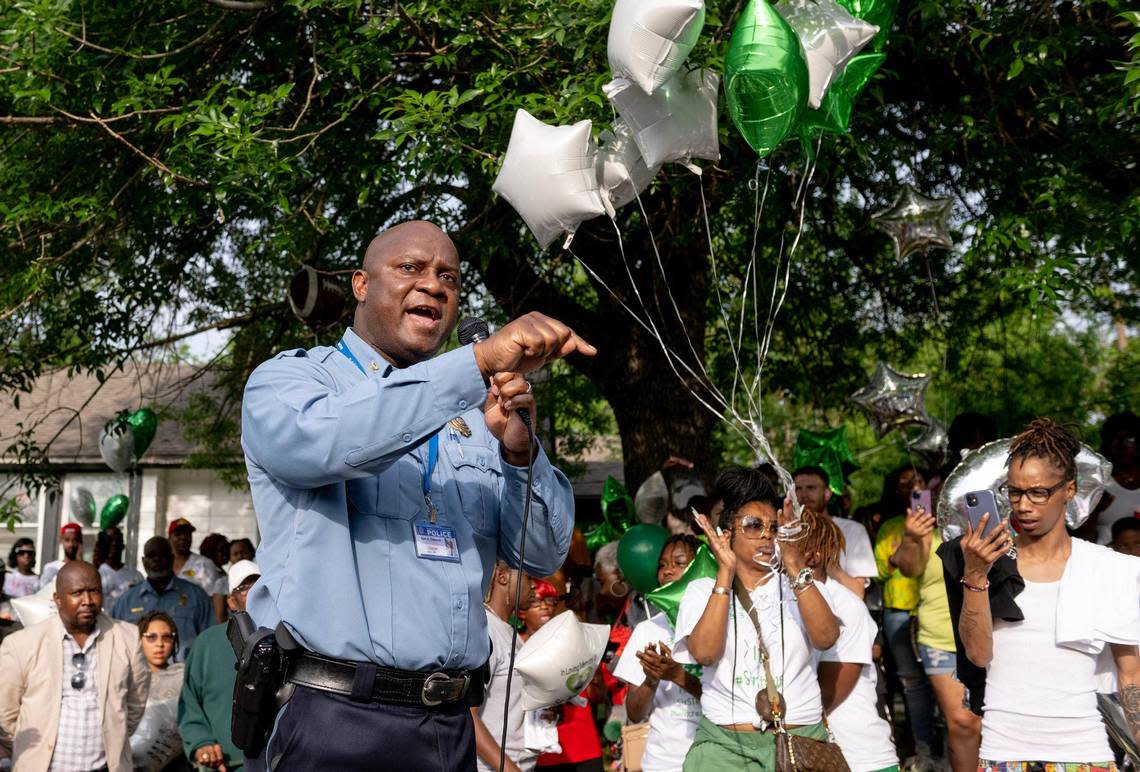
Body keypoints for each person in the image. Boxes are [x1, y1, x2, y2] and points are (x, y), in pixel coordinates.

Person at [239, 220, 590, 771]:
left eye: (447, 275)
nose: (433, 284)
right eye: (410, 268)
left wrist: (522, 456)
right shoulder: (294, 384)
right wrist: (474, 366)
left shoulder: (474, 423)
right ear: (360, 284)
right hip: (333, 718)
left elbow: (541, 555)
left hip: (449, 725)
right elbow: (327, 441)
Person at [959, 417, 1140, 766]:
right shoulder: (988, 564)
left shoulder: (1108, 568)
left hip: (1084, 755)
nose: (1024, 505)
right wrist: (975, 574)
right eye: (1014, 492)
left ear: (1068, 490)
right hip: (1003, 755)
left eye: (1038, 492)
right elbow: (978, 655)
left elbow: (1131, 676)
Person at [674, 465, 840, 771]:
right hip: (725, 748)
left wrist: (793, 565)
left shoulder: (803, 586)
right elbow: (705, 654)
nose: (766, 534)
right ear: (727, 535)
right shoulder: (702, 591)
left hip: (800, 744)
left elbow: (827, 638)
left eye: (773, 527)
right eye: (753, 525)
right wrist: (725, 572)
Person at [0, 561, 150, 771]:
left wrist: (113, 733)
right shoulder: (21, 645)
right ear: (58, 599)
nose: (87, 601)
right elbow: (6, 715)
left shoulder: (127, 638)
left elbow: (135, 704)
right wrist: (34, 751)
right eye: (77, 593)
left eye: (94, 591)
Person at [799, 508, 899, 772]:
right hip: (814, 753)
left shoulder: (845, 604)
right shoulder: (784, 600)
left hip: (860, 758)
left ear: (812, 554)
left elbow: (832, 690)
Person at [890, 502, 981, 772]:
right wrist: (911, 537)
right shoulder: (930, 531)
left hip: (991, 637)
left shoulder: (997, 526)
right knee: (963, 723)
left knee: (987, 721)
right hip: (940, 639)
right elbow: (908, 569)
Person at [611, 535, 703, 772]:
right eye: (662, 565)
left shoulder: (722, 624)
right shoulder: (648, 628)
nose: (667, 571)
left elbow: (729, 698)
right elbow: (635, 713)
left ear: (701, 567)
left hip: (713, 759)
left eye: (679, 563)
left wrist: (676, 674)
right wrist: (651, 679)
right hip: (662, 763)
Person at [872, 466, 937, 764]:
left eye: (918, 484)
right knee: (912, 684)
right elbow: (881, 572)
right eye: (904, 485)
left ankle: (948, 747)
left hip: (936, 614)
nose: (911, 489)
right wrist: (908, 540)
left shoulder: (946, 523)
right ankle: (923, 750)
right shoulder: (890, 527)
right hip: (899, 613)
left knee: (947, 682)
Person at [179, 560, 261, 772]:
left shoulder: (287, 639)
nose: (255, 592)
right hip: (224, 765)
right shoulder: (206, 643)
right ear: (231, 602)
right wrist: (201, 742)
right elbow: (189, 704)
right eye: (245, 588)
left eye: (261, 585)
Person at [528, 580, 606, 772]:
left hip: (583, 742)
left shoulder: (573, 639)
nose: (545, 606)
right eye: (536, 602)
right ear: (521, 609)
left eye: (550, 600)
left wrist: (593, 680)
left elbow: (598, 696)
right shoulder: (516, 648)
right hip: (543, 748)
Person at [472, 560, 537, 772]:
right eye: (528, 577)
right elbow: (468, 715)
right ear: (503, 577)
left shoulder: (509, 632)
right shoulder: (486, 631)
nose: (534, 585)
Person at [112, 536, 213, 660]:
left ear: (171, 559)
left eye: (162, 555)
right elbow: (114, 644)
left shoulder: (196, 596)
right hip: (139, 676)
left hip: (182, 674)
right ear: (143, 561)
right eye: (151, 556)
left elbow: (210, 642)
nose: (156, 560)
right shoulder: (126, 601)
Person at [794, 465, 877, 599]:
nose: (803, 495)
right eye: (798, 489)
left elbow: (858, 592)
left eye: (811, 488)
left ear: (827, 493)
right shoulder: (784, 533)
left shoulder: (853, 530)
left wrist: (825, 562)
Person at [130, 611, 187, 772]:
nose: (160, 644)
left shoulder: (183, 675)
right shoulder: (126, 679)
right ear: (139, 640)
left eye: (167, 637)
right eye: (151, 637)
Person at [1084, 411, 1140, 545]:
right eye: (1113, 439)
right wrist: (1094, 511)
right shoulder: (1096, 483)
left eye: (1129, 439)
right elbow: (1081, 539)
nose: (1121, 446)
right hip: (1106, 561)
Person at [168, 518, 227, 622]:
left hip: (195, 621)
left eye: (187, 534)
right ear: (169, 538)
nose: (183, 538)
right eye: (178, 534)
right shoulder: (163, 564)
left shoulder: (204, 564)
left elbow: (213, 600)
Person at [96, 526, 144, 608]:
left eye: (117, 541)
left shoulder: (136, 576)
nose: (114, 544)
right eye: (109, 540)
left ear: (123, 546)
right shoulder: (96, 575)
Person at [40, 521, 84, 588]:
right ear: (61, 541)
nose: (71, 544)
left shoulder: (86, 569)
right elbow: (43, 591)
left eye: (75, 540)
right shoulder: (51, 568)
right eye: (67, 540)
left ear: (80, 542)